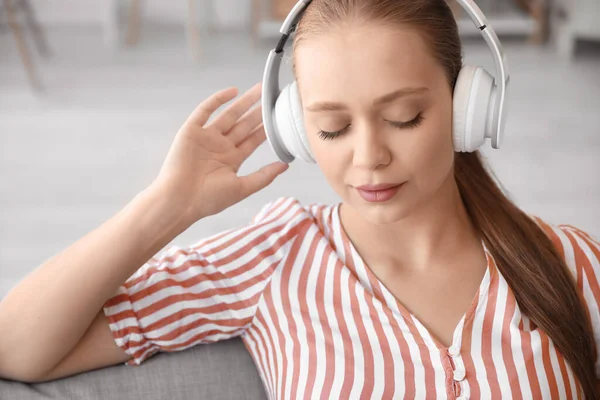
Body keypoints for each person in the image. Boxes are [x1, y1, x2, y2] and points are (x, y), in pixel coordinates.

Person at [0, 0, 598, 398]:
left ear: (468, 105)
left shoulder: (572, 264)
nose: (368, 158)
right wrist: (168, 206)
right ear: (296, 129)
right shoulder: (274, 259)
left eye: (404, 116)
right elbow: (16, 347)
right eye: (332, 129)